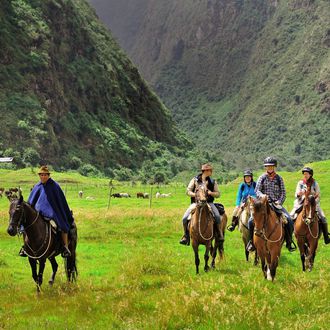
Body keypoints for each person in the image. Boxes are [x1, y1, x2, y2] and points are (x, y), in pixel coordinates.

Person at [20, 165, 74, 257]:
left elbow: (60, 202)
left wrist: (53, 211)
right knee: (26, 226)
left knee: (61, 225)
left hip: (52, 213)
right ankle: (25, 247)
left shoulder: (55, 186)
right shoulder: (37, 186)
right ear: (39, 175)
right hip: (37, 213)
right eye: (41, 175)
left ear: (48, 175)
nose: (43, 177)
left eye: (45, 175)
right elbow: (31, 202)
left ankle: (65, 247)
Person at [246, 157, 296, 252]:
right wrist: (263, 196)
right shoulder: (262, 177)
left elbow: (283, 193)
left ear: (274, 167)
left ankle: (289, 242)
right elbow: (257, 190)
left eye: (271, 166)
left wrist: (279, 201)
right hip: (263, 204)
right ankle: (251, 243)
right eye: (267, 166)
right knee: (250, 221)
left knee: (289, 220)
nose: (269, 168)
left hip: (276, 204)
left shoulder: (279, 178)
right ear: (265, 167)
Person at [179, 163, 222, 245]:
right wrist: (196, 195)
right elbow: (188, 191)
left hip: (208, 202)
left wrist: (211, 193)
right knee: (184, 218)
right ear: (205, 171)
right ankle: (186, 236)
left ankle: (219, 234)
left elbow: (218, 194)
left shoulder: (212, 182)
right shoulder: (194, 180)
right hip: (196, 203)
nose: (211, 172)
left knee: (217, 216)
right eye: (210, 170)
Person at [290, 167, 330, 244]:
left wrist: (313, 202)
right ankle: (290, 237)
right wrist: (299, 194)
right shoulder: (300, 183)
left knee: (323, 218)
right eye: (304, 174)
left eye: (307, 174)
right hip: (301, 203)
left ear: (310, 174)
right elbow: (296, 193)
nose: (305, 175)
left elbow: (318, 195)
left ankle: (326, 237)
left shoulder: (315, 183)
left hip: (313, 204)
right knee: (291, 216)